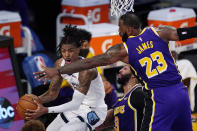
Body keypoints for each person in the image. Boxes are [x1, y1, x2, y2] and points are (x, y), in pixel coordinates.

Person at [34, 13, 197, 131]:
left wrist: (58, 70)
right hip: (180, 91)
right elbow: (185, 33)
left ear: (130, 29)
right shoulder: (159, 32)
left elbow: (89, 62)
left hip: (160, 97)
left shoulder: (123, 50)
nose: (119, 32)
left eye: (120, 28)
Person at [26, 25, 107, 131]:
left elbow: (75, 103)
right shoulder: (60, 64)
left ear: (78, 50)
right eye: (63, 51)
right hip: (77, 108)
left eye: (71, 50)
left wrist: (45, 110)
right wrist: (34, 100)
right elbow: (52, 93)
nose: (67, 54)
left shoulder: (86, 70)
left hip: (95, 110)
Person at [96, 65, 145, 131]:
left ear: (134, 74)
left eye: (125, 69)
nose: (120, 70)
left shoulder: (139, 92)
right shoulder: (121, 100)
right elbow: (100, 123)